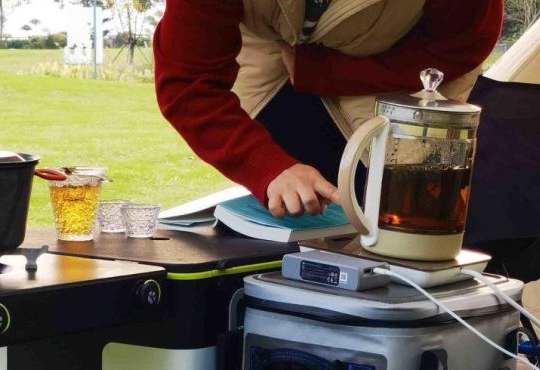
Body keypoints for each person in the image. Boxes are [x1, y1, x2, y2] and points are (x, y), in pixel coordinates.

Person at [154, 0, 504, 218]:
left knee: (406, 222)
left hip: (400, 74)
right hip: (270, 60)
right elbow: (188, 81)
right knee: (297, 222)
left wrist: (325, 73)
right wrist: (268, 167)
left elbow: (462, 46)